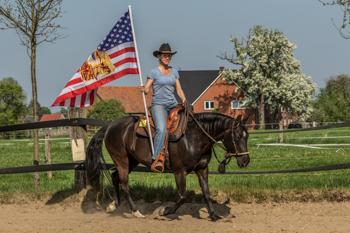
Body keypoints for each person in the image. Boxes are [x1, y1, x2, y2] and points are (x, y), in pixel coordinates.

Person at [138, 43, 186, 172]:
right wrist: (144, 89)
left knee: (187, 123)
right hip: (159, 105)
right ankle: (157, 157)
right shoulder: (153, 72)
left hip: (173, 104)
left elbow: (179, 89)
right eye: (165, 55)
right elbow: (147, 89)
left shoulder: (174, 71)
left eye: (169, 55)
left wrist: (184, 99)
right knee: (161, 128)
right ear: (159, 56)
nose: (167, 57)